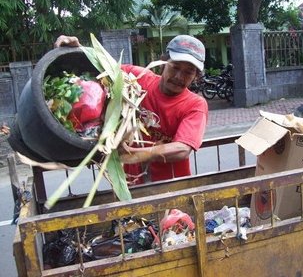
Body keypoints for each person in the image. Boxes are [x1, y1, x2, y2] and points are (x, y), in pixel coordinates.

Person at [54, 34, 208, 184]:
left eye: (188, 72)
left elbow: (182, 149)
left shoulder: (195, 105)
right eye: (175, 67)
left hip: (170, 188)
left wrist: (136, 155)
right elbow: (101, 68)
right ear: (162, 63)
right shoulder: (137, 78)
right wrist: (78, 49)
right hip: (132, 184)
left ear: (196, 76)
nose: (179, 77)